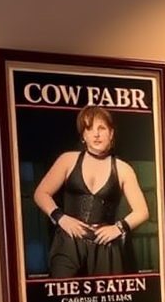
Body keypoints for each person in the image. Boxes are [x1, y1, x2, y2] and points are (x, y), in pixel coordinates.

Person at [33, 106, 150, 278]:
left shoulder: (123, 169)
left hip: (106, 245)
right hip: (69, 243)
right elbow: (41, 193)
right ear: (83, 136)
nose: (96, 134)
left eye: (101, 128)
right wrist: (61, 218)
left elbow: (142, 212)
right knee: (64, 299)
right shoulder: (68, 160)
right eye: (89, 128)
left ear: (111, 134)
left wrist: (119, 228)